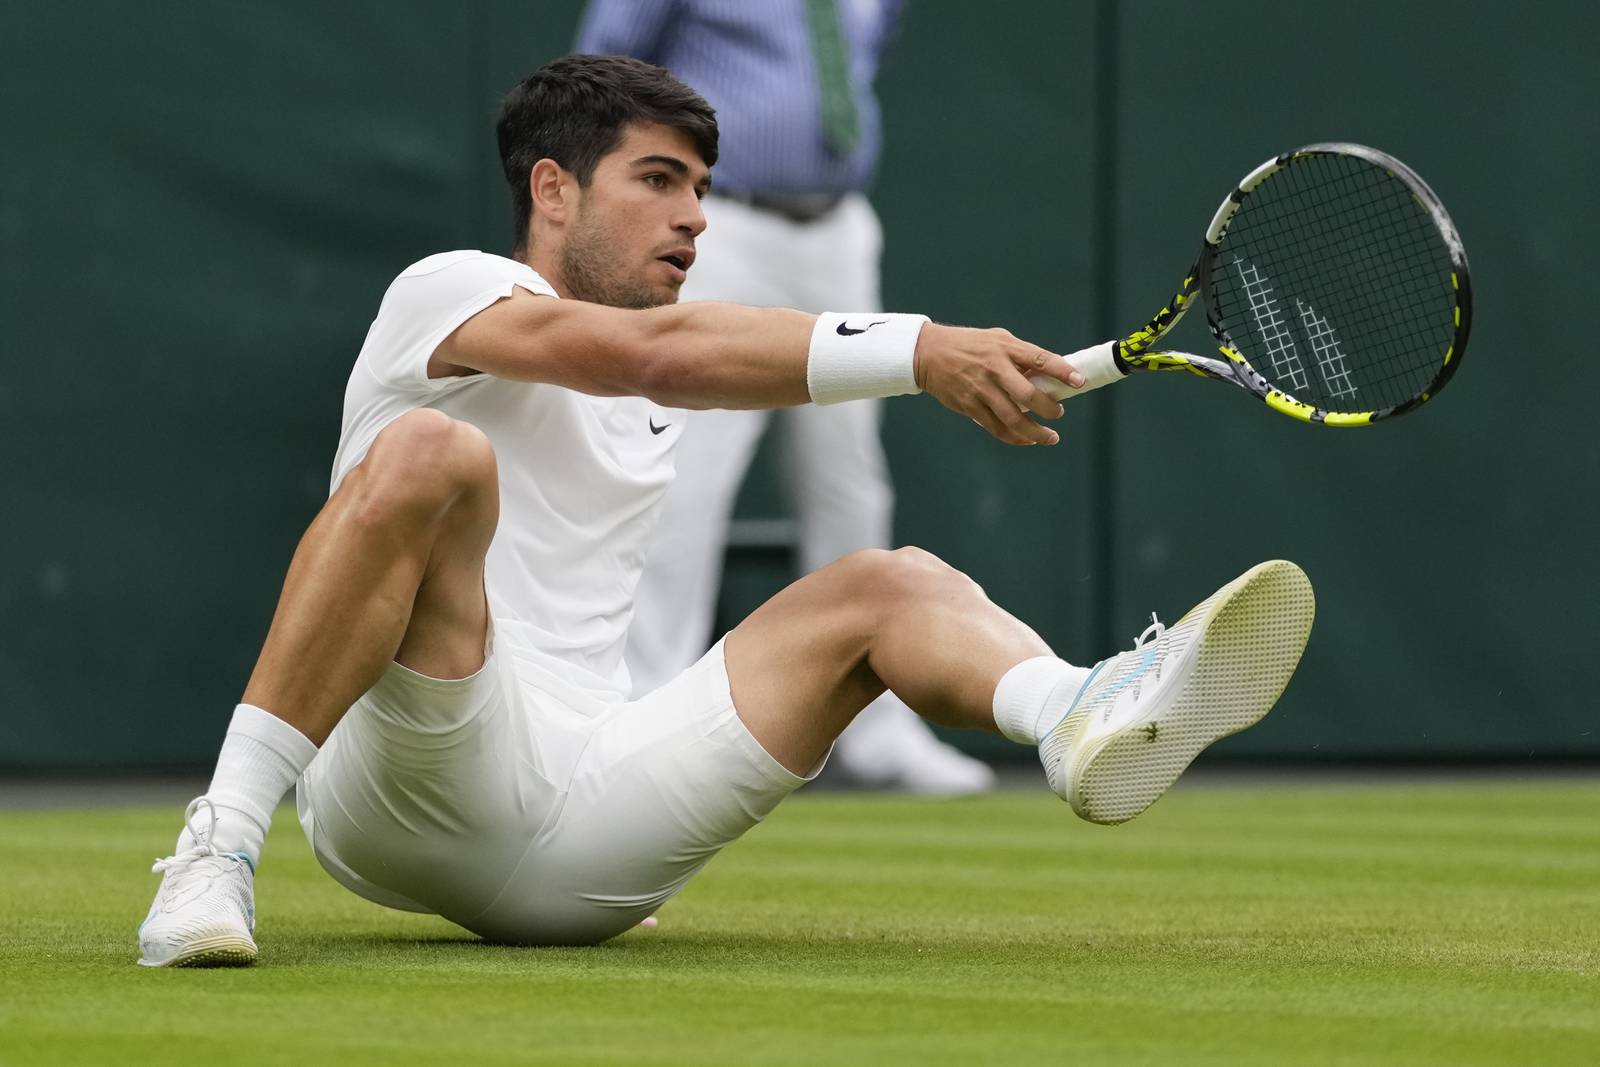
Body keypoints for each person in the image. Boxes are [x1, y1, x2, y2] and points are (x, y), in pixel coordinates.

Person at [136, 54, 1314, 967]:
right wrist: (919, 348)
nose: (694, 215)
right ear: (552, 190)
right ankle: (220, 844)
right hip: (399, 784)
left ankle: (1077, 710)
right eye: (658, 182)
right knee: (431, 453)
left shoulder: (672, 356)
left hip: (585, 843)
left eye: (701, 187)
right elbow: (659, 357)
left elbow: (688, 356)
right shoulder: (450, 291)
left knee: (885, 582)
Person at [575, 2, 995, 793]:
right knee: (684, 479)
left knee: (850, 481)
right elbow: (600, 82)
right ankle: (642, 714)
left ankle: (873, 721)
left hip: (838, 228)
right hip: (716, 223)